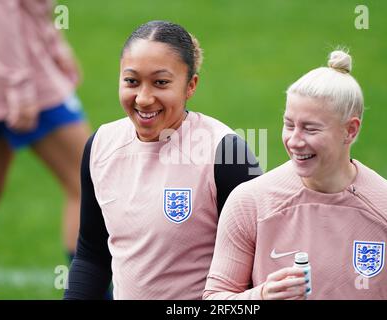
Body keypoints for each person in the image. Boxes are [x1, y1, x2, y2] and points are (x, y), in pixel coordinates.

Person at [203, 50, 387, 300]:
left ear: (350, 130)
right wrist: (261, 297)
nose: (294, 141)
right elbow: (216, 299)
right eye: (289, 124)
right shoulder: (249, 202)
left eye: (310, 129)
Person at [63, 20, 262, 300]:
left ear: (190, 86)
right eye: (132, 81)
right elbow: (92, 255)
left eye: (161, 83)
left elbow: (259, 263)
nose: (143, 98)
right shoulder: (100, 145)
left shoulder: (225, 153)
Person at [0, 1, 91, 262]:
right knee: (90, 183)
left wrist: (56, 46)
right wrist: (19, 86)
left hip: (6, 75)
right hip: (20, 81)